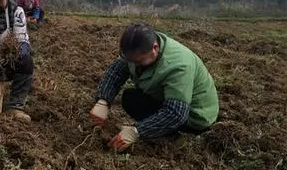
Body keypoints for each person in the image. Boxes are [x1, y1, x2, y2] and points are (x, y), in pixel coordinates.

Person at [90, 22, 219, 151]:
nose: (134, 64)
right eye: (130, 60)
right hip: (166, 100)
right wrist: (103, 101)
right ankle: (157, 129)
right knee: (131, 99)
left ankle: (173, 135)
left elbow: (176, 114)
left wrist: (137, 131)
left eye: (138, 61)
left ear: (155, 48)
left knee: (159, 114)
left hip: (194, 115)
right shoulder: (138, 49)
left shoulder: (178, 67)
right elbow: (116, 72)